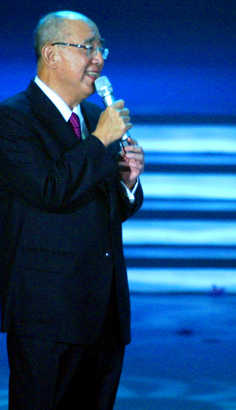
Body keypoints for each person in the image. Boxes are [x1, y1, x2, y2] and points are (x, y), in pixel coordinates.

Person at [0, 10, 144, 410]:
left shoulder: (96, 118)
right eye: (88, 48)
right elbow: (49, 190)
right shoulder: (13, 118)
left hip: (104, 312)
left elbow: (104, 209)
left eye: (102, 49)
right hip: (48, 313)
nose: (98, 59)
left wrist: (127, 183)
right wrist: (99, 143)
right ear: (51, 54)